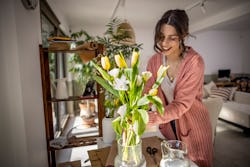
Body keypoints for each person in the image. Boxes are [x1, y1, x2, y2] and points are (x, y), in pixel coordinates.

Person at [145, 9, 213, 167]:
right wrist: (137, 108)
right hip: (167, 126)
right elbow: (148, 92)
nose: (164, 43)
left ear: (183, 36)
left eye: (171, 38)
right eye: (161, 37)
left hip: (194, 128)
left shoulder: (194, 62)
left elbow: (182, 103)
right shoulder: (154, 61)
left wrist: (152, 118)